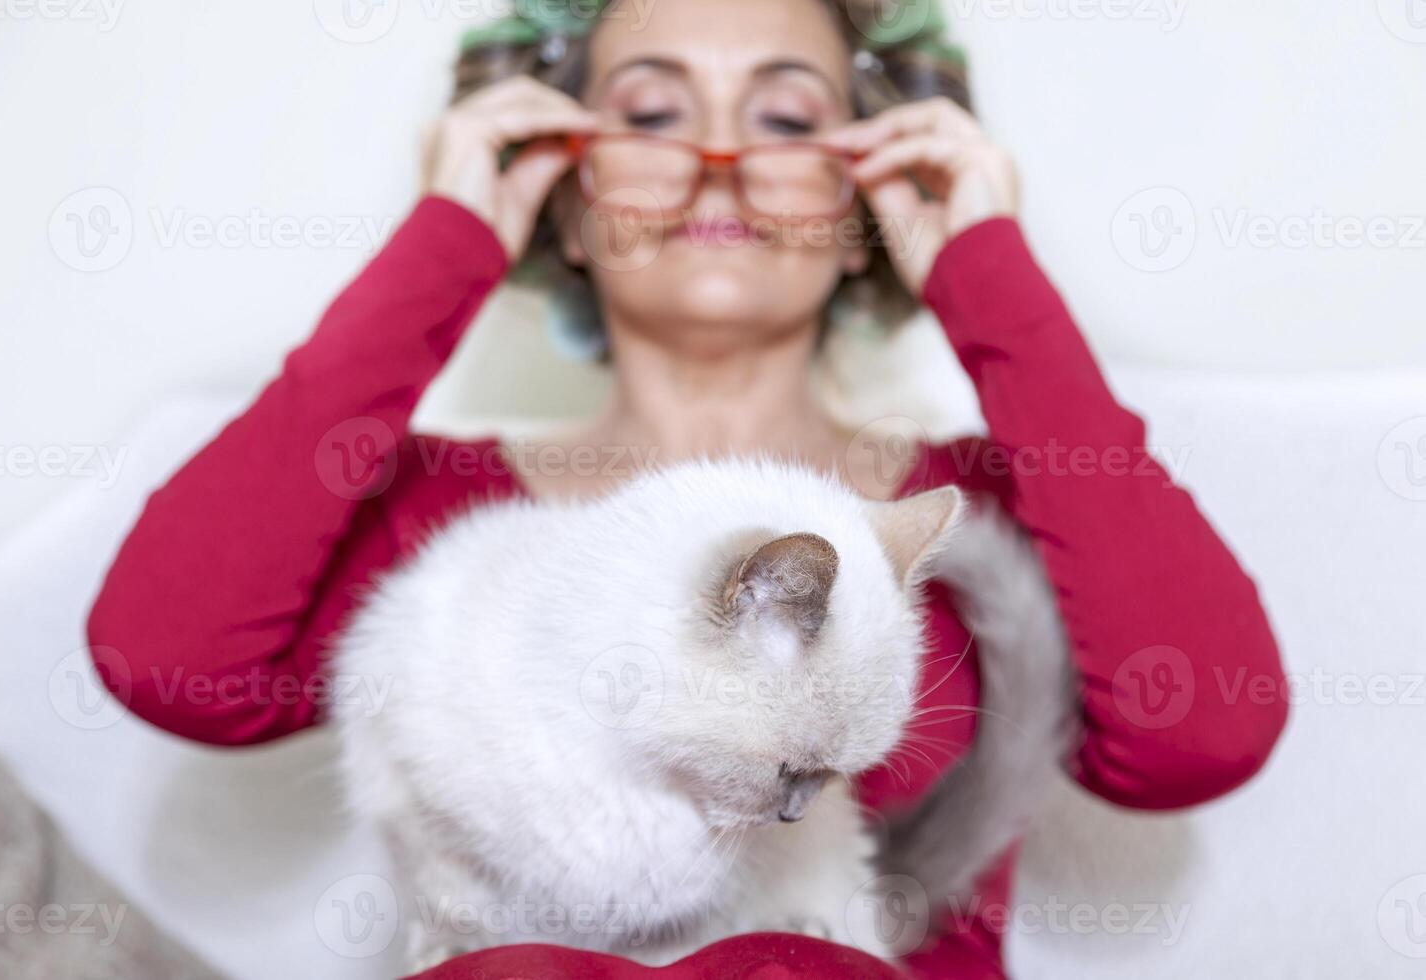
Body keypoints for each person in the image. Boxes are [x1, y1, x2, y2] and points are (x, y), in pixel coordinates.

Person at [86, 0, 1288, 975]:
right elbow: (164, 655)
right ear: (565, 195)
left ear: (860, 191)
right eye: (652, 112)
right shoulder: (446, 523)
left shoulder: (948, 515)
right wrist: (445, 242)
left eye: (786, 116)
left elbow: (1202, 730)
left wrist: (985, 278)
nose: (721, 161)